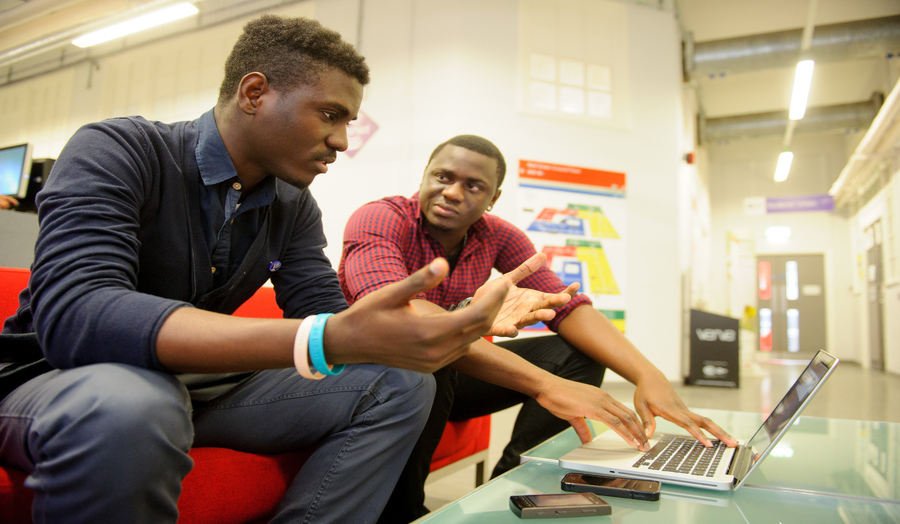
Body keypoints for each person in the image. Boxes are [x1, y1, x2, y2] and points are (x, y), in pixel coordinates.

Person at [0, 18, 567, 524]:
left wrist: (456, 321)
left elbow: (327, 315)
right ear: (255, 93)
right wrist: (323, 336)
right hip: (61, 375)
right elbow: (78, 314)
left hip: (201, 385)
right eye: (330, 115)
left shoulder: (293, 205)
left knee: (399, 384)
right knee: (135, 404)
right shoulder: (119, 148)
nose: (342, 141)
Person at [339, 134, 739, 523]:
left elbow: (566, 307)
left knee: (572, 356)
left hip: (451, 372)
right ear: (425, 175)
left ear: (493, 199)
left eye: (474, 186)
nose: (454, 192)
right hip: (375, 376)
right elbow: (398, 318)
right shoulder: (380, 218)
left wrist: (647, 375)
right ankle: (402, 513)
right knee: (431, 356)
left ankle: (509, 491)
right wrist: (545, 385)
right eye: (443, 177)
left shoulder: (496, 235)